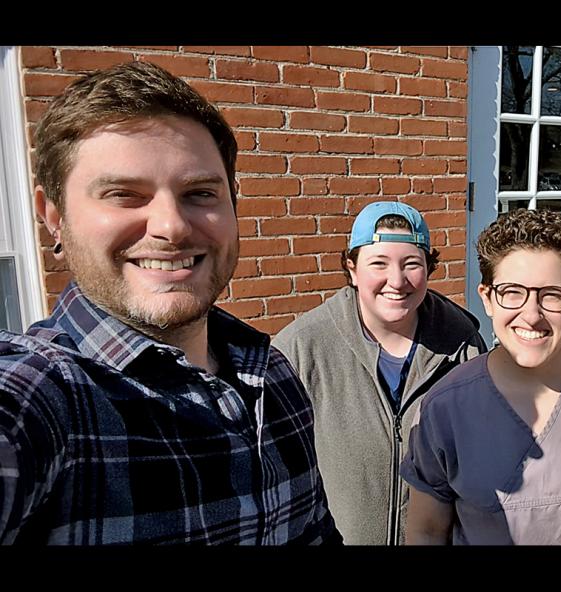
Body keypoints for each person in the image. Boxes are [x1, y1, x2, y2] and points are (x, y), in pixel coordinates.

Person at [0, 62, 340, 544]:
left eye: (199, 193)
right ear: (53, 216)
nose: (172, 226)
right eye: (123, 194)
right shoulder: (43, 401)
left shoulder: (274, 376)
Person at [400, 208, 561, 545]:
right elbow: (427, 530)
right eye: (512, 292)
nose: (531, 314)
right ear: (488, 299)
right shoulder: (445, 407)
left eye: (551, 295)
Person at [272, 201, 486, 545]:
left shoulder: (462, 343)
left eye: (412, 264)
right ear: (352, 268)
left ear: (429, 269)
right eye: (379, 263)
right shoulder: (300, 350)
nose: (396, 281)